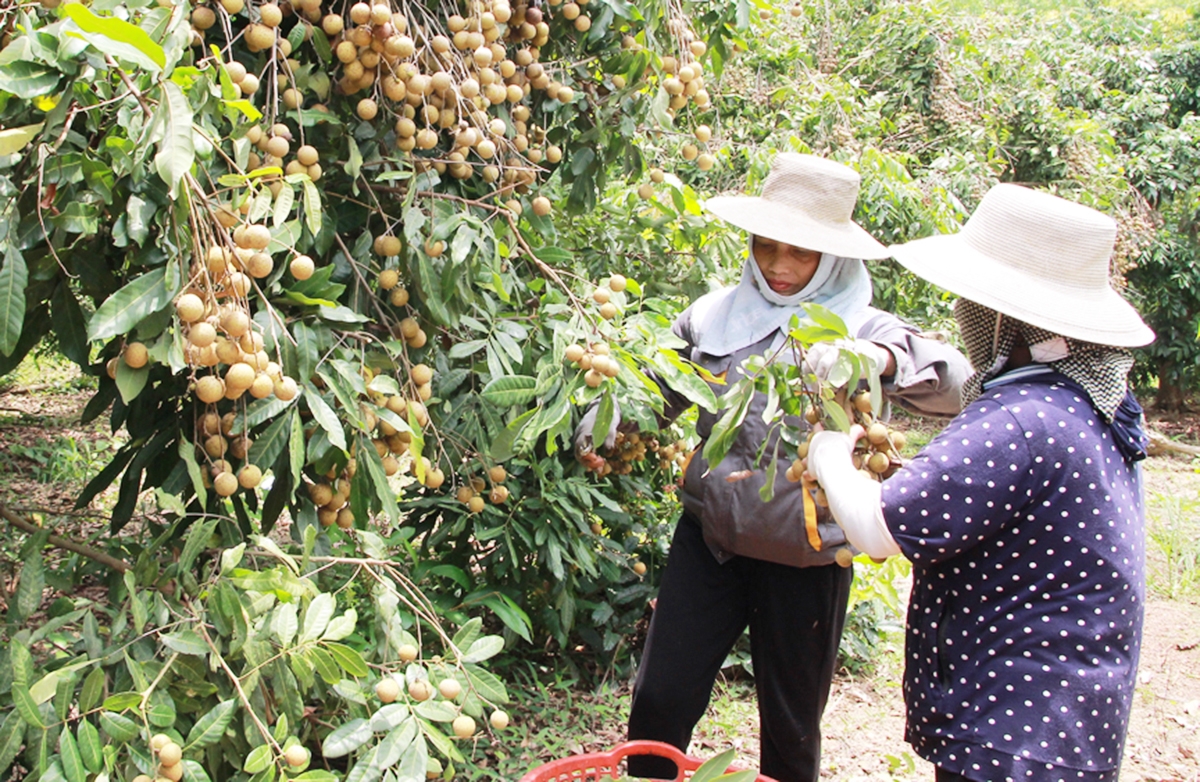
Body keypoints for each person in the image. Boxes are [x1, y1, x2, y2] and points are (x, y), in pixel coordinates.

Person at [576, 153, 972, 782]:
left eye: (803, 254)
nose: (780, 268)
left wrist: (878, 358)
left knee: (790, 728)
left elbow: (955, 384)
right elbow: (653, 393)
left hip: (808, 559)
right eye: (767, 247)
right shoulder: (711, 316)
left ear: (835, 260)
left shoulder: (866, 327)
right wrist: (604, 427)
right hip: (711, 544)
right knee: (659, 700)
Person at [806, 183, 1156, 782]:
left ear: (1003, 318)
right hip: (1066, 723)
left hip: (1016, 726)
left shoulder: (1022, 417)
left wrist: (827, 450)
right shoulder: (1085, 403)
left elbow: (875, 528)